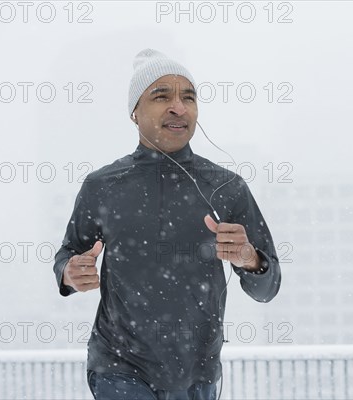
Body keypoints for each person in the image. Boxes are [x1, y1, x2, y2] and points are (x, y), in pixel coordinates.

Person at [52, 49, 282, 400]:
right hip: (119, 369)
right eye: (162, 96)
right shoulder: (102, 186)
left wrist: (251, 260)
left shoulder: (225, 187)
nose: (179, 107)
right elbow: (67, 254)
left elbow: (267, 288)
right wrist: (69, 272)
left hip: (198, 376)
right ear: (135, 112)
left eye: (188, 97)